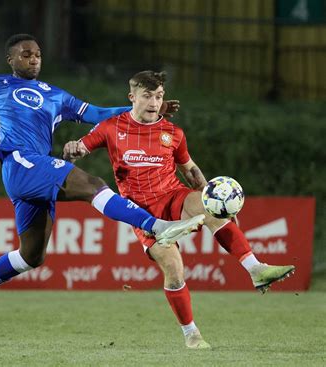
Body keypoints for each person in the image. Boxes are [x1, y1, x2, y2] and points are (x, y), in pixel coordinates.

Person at [0, 35, 205, 333]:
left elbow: (96, 114)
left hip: (35, 173)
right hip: (20, 162)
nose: (33, 59)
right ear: (11, 60)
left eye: (38, 54)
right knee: (91, 183)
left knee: (31, 255)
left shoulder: (55, 95)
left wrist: (146, 111)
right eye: (26, 54)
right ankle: (157, 226)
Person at [63, 70, 296, 350]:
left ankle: (255, 268)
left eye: (159, 96)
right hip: (142, 212)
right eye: (147, 96)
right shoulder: (111, 127)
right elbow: (79, 150)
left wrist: (217, 201)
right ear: (132, 97)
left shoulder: (173, 133)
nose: (153, 102)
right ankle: (191, 334)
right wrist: (72, 149)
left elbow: (191, 171)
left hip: (174, 196)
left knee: (206, 206)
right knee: (173, 268)